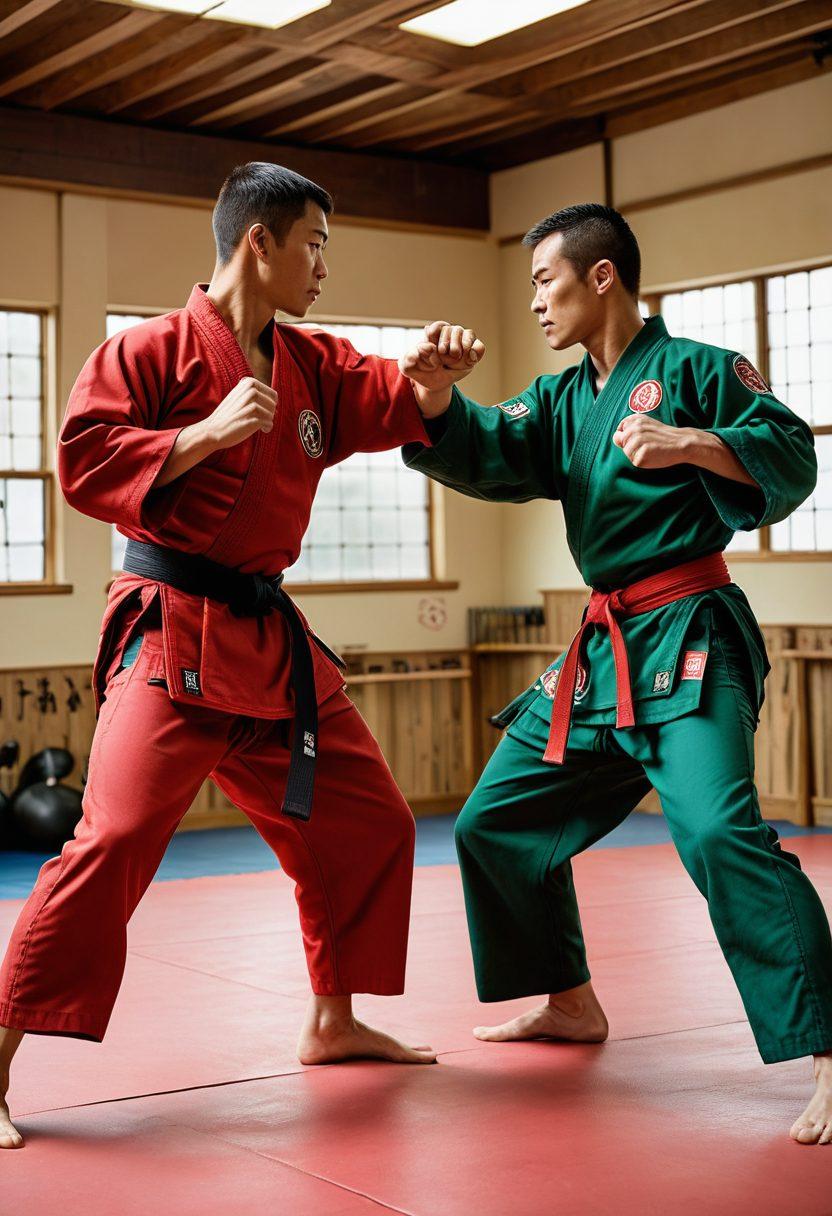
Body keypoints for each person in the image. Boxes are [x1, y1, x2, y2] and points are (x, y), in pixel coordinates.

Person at [0, 161, 484, 1149]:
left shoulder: (312, 364)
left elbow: (392, 397)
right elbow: (83, 459)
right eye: (314, 246)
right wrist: (200, 437)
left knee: (369, 820)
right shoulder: (149, 350)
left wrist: (431, 386)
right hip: (171, 629)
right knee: (113, 839)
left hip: (267, 640)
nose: (323, 269)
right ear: (258, 242)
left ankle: (333, 1019)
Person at [401, 203, 832, 1146]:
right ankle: (569, 1001)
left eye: (545, 281)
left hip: (691, 631)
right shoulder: (562, 401)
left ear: (601, 277)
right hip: (604, 649)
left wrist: (694, 443)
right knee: (493, 824)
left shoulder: (700, 372)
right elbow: (491, 443)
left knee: (718, 832)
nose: (536, 303)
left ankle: (829, 1046)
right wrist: (434, 398)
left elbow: (793, 452)